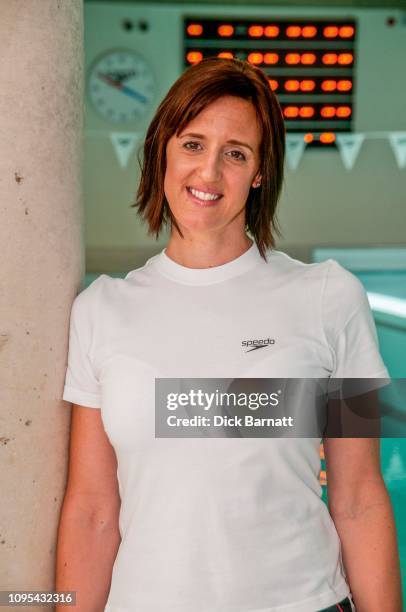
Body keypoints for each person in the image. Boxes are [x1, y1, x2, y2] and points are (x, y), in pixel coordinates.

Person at [56, 57, 402, 611]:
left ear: (260, 171)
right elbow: (93, 509)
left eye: (235, 153)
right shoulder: (101, 310)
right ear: (162, 150)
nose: (209, 173)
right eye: (193, 144)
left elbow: (359, 496)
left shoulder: (331, 298)